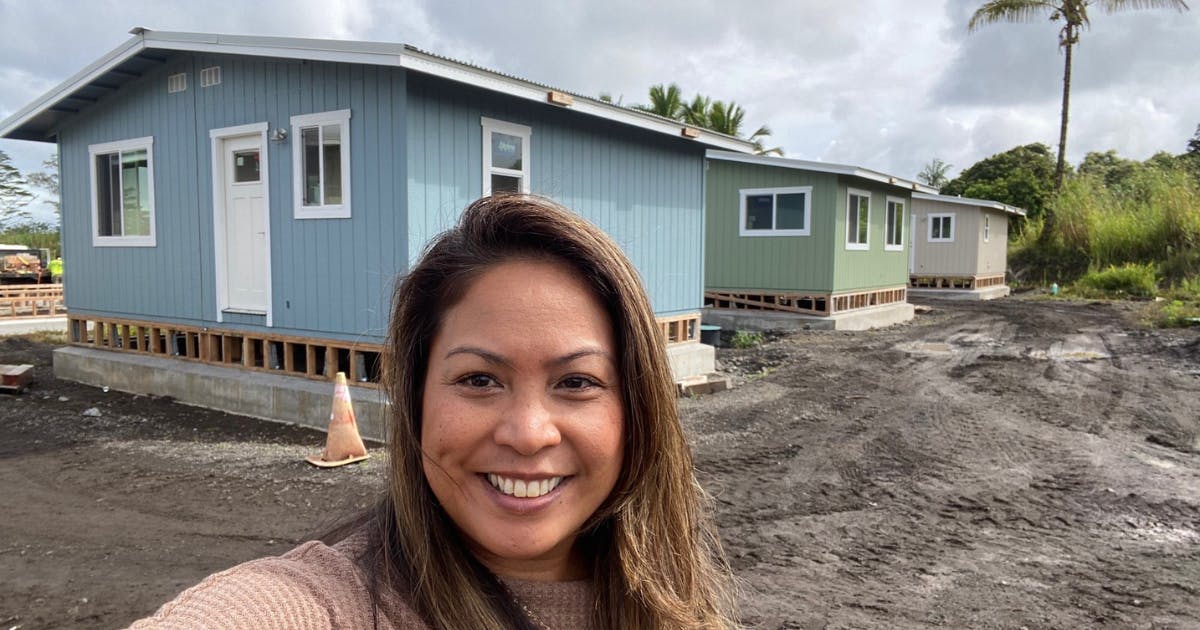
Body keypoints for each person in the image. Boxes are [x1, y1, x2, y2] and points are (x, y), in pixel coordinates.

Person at [128, 194, 737, 629]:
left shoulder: (674, 598)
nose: (528, 434)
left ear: (638, 407)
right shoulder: (324, 605)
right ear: (416, 399)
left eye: (576, 382)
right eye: (478, 379)